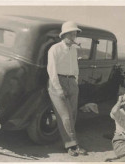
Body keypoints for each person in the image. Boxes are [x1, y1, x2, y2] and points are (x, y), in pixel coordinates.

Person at [47, 21, 87, 156]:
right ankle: (72, 146)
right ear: (64, 35)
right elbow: (51, 70)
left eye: (75, 34)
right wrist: (58, 89)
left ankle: (71, 142)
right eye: (71, 34)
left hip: (71, 83)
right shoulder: (55, 49)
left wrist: (74, 82)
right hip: (58, 81)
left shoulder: (73, 50)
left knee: (73, 114)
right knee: (65, 116)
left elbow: (75, 68)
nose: (73, 37)